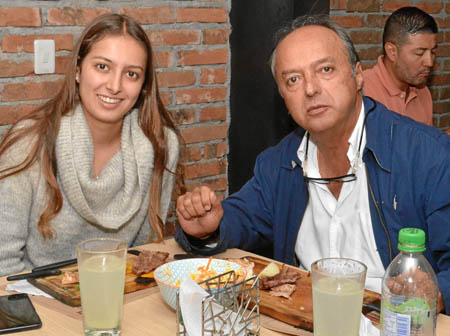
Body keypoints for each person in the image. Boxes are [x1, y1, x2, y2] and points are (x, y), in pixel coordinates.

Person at [175, 15, 450, 314]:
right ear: (283, 97)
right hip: (303, 319)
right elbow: (237, 219)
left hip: (394, 321)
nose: (310, 89)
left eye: (326, 70)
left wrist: (437, 292)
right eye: (293, 79)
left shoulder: (428, 156)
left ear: (358, 75)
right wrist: (206, 230)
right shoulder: (279, 164)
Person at [0, 14, 181, 276]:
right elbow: (3, 267)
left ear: (143, 86)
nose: (115, 85)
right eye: (102, 67)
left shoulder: (161, 145)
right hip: (35, 305)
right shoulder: (30, 142)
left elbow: (145, 256)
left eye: (131, 74)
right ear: (77, 69)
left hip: (118, 300)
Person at [363, 6, 438, 126]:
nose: (429, 62)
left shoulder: (423, 93)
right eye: (420, 53)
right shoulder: (362, 92)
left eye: (433, 52)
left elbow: (423, 144)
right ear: (392, 51)